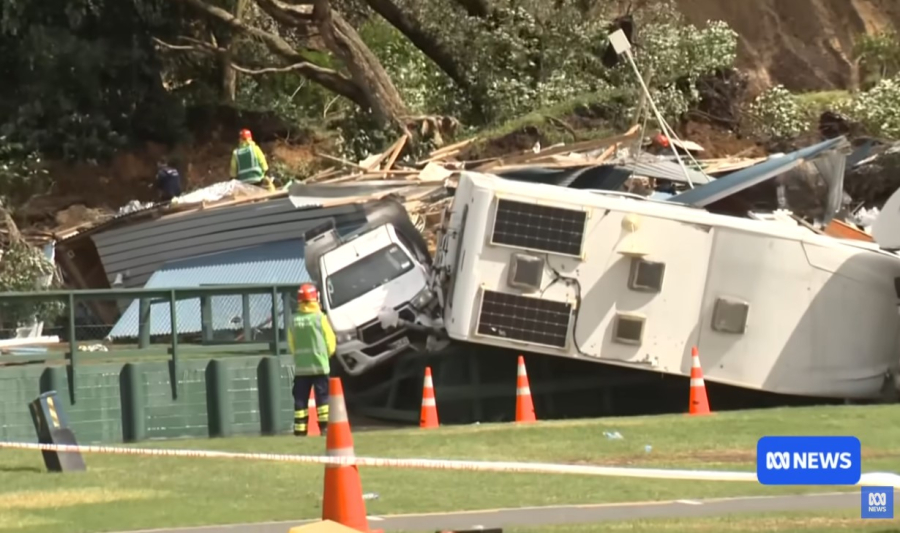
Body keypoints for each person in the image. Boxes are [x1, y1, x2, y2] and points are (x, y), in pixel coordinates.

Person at [287, 283, 336, 437]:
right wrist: (326, 355)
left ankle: (300, 431)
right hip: (320, 366)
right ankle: (325, 429)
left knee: (300, 400)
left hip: (302, 367)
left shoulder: (293, 320)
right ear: (315, 298)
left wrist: (300, 357)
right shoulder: (320, 318)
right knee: (323, 400)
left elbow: (291, 343)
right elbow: (330, 341)